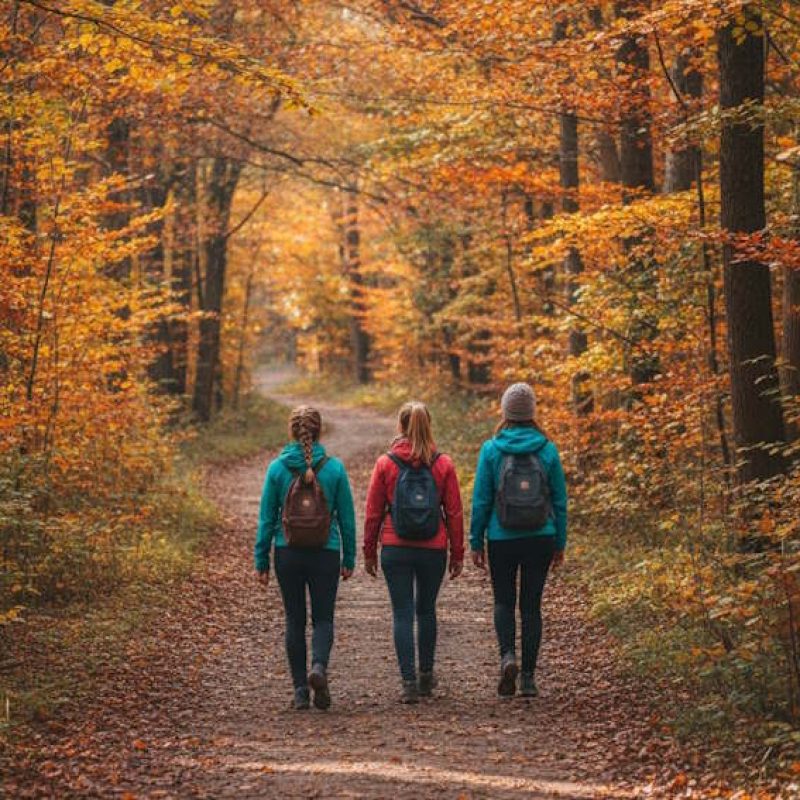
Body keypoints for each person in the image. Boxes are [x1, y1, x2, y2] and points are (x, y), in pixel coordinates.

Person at [254, 405, 356, 711]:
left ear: (292, 431)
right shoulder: (335, 469)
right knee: (323, 618)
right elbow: (347, 518)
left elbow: (266, 519)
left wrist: (261, 560)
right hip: (325, 551)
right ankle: (319, 667)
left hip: (288, 551)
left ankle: (300, 691)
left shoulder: (276, 469)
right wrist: (348, 557)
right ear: (319, 431)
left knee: (294, 620)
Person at [470, 382, 567, 698]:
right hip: (540, 536)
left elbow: (482, 499)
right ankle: (527, 678)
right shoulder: (547, 449)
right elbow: (560, 500)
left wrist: (475, 540)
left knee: (503, 601)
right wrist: (560, 542)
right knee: (531, 607)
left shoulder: (492, 449)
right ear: (532, 412)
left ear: (505, 412)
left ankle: (507, 656)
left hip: (502, 537)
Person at [364, 401, 464, 704]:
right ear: (428, 425)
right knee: (426, 610)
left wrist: (369, 550)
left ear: (400, 426)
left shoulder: (386, 463)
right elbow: (455, 512)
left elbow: (372, 512)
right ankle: (425, 676)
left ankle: (407, 681)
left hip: (396, 546)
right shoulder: (443, 463)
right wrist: (457, 552)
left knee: (403, 613)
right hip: (433, 548)